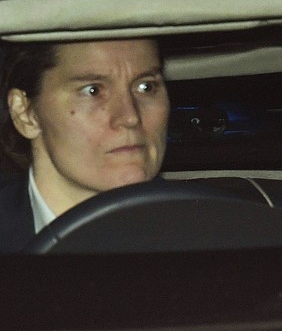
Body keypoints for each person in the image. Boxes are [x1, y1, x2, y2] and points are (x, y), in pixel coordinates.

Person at [0, 39, 170, 251]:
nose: (130, 117)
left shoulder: (209, 231)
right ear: (26, 114)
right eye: (93, 91)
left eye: (147, 87)